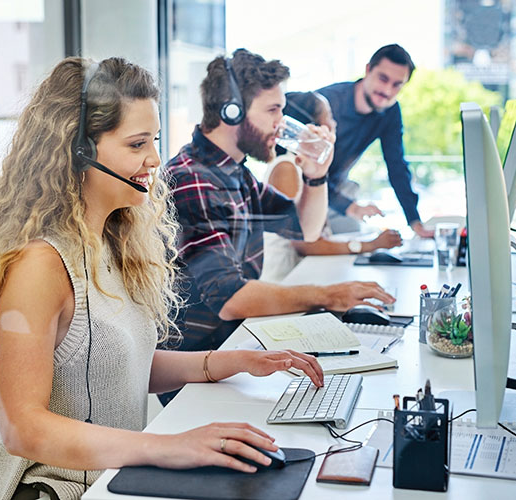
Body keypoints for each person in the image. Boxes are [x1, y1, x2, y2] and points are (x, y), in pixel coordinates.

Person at [0, 56, 325, 500]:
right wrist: (169, 448)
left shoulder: (114, 241)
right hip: (52, 487)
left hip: (109, 478)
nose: (154, 159)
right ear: (78, 150)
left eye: (155, 140)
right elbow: (21, 429)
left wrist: (233, 361)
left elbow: (121, 367)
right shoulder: (40, 266)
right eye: (136, 144)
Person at [165, 48, 395, 357]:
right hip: (198, 366)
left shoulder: (236, 174)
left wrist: (316, 176)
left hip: (235, 345)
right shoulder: (193, 179)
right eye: (273, 110)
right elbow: (230, 299)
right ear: (231, 111)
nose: (281, 122)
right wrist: (328, 295)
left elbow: (306, 229)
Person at [261, 91, 403, 283]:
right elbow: (305, 244)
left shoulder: (306, 167)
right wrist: (370, 245)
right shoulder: (287, 168)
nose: (334, 124)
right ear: (310, 127)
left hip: (301, 277)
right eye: (329, 117)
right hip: (281, 284)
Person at [317, 44, 434, 238]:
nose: (387, 91)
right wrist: (350, 207)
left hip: (337, 189)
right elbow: (302, 170)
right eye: (383, 79)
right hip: (303, 188)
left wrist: (414, 221)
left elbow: (397, 166)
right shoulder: (326, 102)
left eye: (397, 84)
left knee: (353, 241)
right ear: (368, 70)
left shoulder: (390, 112)